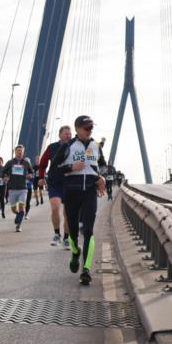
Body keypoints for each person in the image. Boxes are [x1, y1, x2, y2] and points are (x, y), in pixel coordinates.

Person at [50, 115, 107, 286]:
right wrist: (71, 167)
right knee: (73, 233)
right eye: (86, 128)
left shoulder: (96, 146)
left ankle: (86, 270)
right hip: (71, 192)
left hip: (89, 192)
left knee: (88, 230)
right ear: (77, 128)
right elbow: (54, 169)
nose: (90, 130)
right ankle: (75, 252)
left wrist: (101, 177)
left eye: (91, 127)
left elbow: (103, 165)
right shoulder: (68, 146)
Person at [37, 125, 72, 247]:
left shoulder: (75, 147)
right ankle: (57, 234)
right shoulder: (52, 147)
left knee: (68, 212)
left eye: (70, 133)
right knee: (55, 207)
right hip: (55, 182)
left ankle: (66, 238)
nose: (68, 135)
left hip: (70, 182)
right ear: (60, 135)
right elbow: (43, 164)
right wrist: (41, 177)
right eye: (66, 133)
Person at [3, 146, 34, 232]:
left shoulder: (26, 163)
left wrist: (30, 175)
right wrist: (5, 177)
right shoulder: (10, 162)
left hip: (23, 188)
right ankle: (18, 215)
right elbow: (4, 171)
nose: (20, 152)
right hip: (12, 188)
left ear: (23, 153)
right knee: (13, 209)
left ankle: (18, 225)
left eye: (21, 151)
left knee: (21, 206)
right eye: (18, 150)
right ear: (15, 152)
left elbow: (31, 172)